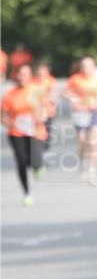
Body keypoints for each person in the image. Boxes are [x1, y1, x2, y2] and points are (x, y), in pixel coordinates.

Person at [1, 64, 48, 206]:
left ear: (30, 77)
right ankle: (27, 193)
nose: (22, 78)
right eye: (20, 75)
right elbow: (3, 117)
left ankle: (37, 167)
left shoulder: (36, 91)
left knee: (35, 160)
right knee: (21, 162)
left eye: (25, 75)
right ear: (15, 76)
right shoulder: (9, 94)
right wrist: (11, 124)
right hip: (17, 132)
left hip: (35, 130)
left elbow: (45, 109)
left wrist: (41, 117)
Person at [64, 55, 97, 185]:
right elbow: (65, 93)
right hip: (81, 114)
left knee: (94, 142)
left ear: (93, 67)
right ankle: (83, 163)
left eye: (88, 66)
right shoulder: (75, 79)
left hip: (96, 112)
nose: (85, 68)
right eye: (83, 66)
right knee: (83, 142)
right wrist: (72, 98)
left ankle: (92, 171)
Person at [34, 61, 59, 153]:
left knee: (47, 133)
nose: (40, 73)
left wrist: (45, 99)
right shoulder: (33, 81)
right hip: (36, 113)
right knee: (37, 132)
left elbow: (54, 96)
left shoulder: (51, 81)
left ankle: (45, 151)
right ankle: (38, 151)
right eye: (39, 71)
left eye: (43, 71)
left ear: (47, 71)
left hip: (48, 112)